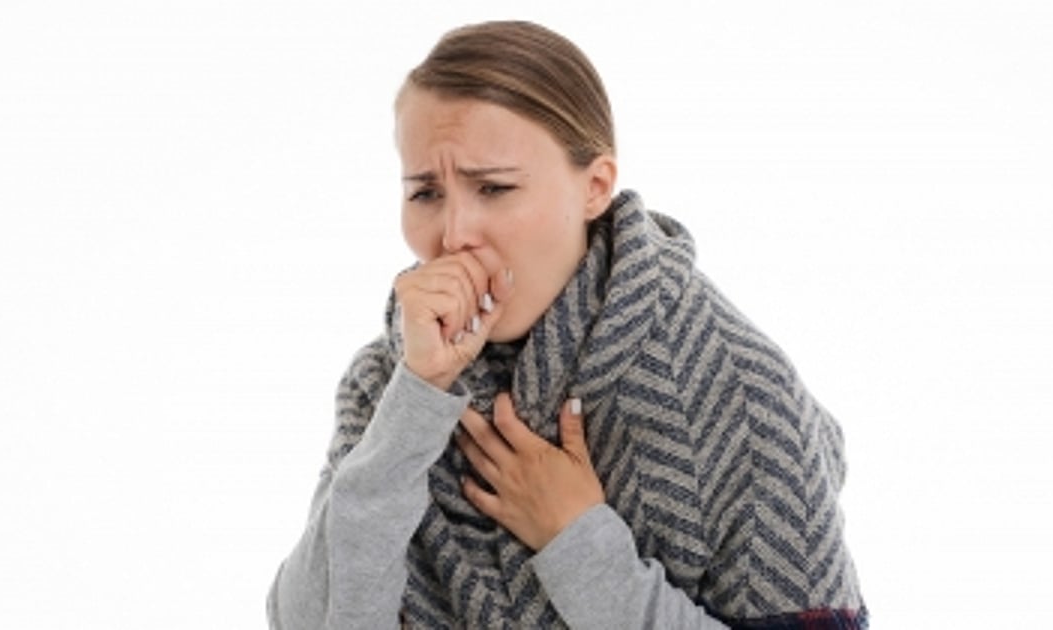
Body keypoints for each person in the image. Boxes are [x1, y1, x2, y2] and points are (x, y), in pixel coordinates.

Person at [267, 20, 867, 629]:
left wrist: (578, 543)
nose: (453, 235)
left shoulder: (737, 391)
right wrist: (415, 406)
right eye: (425, 194)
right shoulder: (392, 383)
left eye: (494, 188)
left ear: (595, 188)